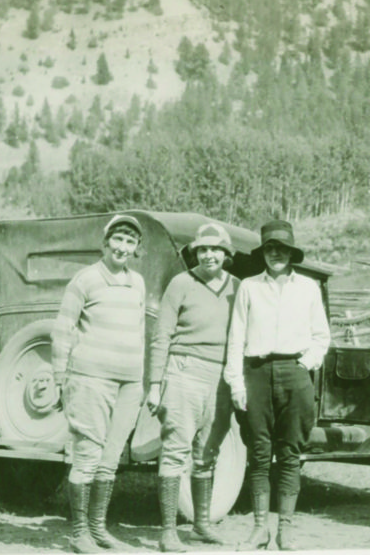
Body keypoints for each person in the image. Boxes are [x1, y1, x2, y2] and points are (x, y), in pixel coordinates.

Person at [224, 219, 331, 551]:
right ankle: (259, 528)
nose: (275, 254)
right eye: (270, 248)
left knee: (289, 453)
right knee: (259, 454)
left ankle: (286, 528)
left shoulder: (308, 288)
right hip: (256, 372)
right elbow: (235, 337)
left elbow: (321, 337)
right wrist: (236, 382)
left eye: (281, 248)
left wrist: (304, 364)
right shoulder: (249, 287)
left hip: (294, 372)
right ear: (263, 253)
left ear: (291, 253)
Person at [51, 214, 146, 553]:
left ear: (136, 249)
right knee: (88, 455)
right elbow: (63, 327)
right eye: (117, 239)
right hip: (91, 379)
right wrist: (60, 375)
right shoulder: (85, 279)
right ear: (105, 243)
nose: (122, 247)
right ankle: (78, 534)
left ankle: (97, 529)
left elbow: (139, 330)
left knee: (111, 457)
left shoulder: (137, 282)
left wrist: (142, 378)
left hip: (129, 383)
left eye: (130, 241)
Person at [146, 223, 240, 552]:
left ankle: (201, 523)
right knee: (175, 451)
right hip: (183, 372)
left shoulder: (238, 288)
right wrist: (155, 384)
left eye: (215, 249)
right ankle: (168, 531)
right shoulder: (180, 284)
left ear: (227, 254)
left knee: (207, 452)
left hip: (222, 378)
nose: (209, 254)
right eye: (202, 249)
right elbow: (162, 337)